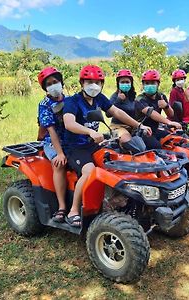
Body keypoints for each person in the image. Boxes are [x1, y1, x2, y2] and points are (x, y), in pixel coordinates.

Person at [63, 65, 150, 227]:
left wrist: (138, 125)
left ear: (102, 84)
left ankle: (117, 202)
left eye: (97, 82)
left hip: (93, 144)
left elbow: (117, 113)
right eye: (89, 81)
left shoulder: (99, 99)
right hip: (75, 147)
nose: (93, 85)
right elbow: (69, 123)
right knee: (89, 171)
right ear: (82, 82)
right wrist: (89, 131)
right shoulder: (72, 101)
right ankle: (74, 211)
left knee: (117, 164)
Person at [37, 67, 67, 222]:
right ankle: (62, 207)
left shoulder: (68, 100)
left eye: (55, 82)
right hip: (51, 141)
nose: (53, 85)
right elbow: (51, 130)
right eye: (49, 84)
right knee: (58, 164)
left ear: (61, 82)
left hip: (70, 139)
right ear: (45, 88)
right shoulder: (44, 104)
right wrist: (60, 152)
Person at [135, 69, 181, 149]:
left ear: (158, 84)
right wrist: (169, 122)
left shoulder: (161, 96)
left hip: (154, 129)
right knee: (157, 147)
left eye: (153, 83)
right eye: (147, 83)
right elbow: (151, 113)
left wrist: (166, 106)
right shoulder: (140, 99)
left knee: (174, 140)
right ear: (143, 84)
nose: (150, 85)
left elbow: (171, 114)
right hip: (142, 131)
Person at [109, 69, 140, 146]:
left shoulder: (132, 96)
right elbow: (108, 114)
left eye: (127, 82)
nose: (125, 84)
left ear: (131, 83)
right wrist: (118, 100)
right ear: (118, 83)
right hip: (117, 127)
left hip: (133, 127)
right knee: (129, 143)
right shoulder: (115, 96)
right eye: (122, 82)